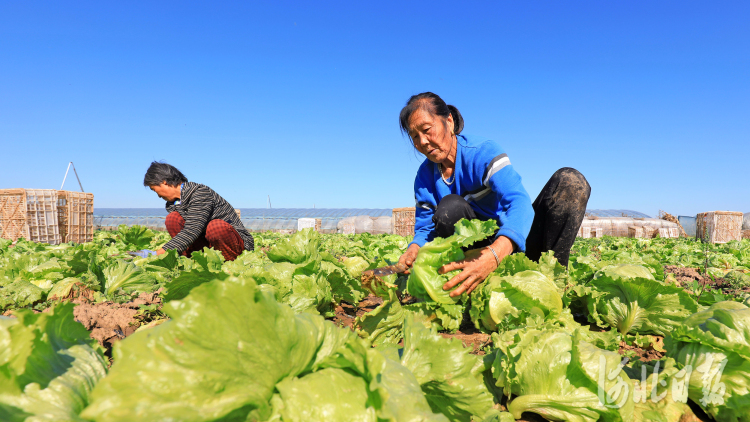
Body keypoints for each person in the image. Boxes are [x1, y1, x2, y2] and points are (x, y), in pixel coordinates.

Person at [396, 92, 590, 297]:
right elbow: (425, 227)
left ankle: (553, 281)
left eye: (427, 130)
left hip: (514, 245)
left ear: (449, 121)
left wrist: (496, 254)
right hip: (474, 256)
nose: (423, 141)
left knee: (570, 182)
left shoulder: (482, 153)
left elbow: (518, 201)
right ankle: (473, 282)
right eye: (414, 136)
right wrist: (414, 248)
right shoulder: (424, 178)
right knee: (449, 208)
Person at [143, 161, 254, 261]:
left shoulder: (199, 193)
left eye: (154, 189)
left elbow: (192, 229)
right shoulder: (173, 204)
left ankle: (230, 263)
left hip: (234, 244)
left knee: (216, 227)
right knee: (173, 219)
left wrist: (158, 253)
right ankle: (191, 260)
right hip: (209, 245)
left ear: (164, 182)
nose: (158, 195)